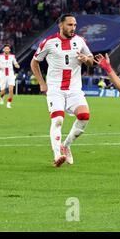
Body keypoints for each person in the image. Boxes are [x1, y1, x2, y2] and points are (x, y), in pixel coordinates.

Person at [30, 14, 93, 167]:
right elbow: (34, 63)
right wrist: (42, 83)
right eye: (70, 25)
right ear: (61, 25)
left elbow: (91, 60)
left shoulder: (79, 41)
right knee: (58, 120)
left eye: (75, 25)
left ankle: (66, 145)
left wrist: (86, 60)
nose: (73, 28)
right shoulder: (49, 42)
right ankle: (57, 155)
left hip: (74, 90)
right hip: (55, 89)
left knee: (84, 116)